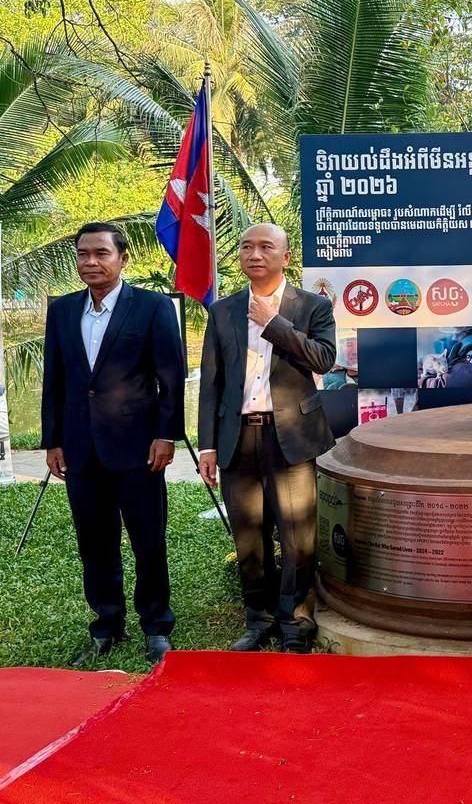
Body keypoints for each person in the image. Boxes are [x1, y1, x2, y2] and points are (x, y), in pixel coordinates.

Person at [41, 222, 186, 666]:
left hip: (139, 448)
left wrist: (166, 434)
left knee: (148, 541)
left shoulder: (152, 307)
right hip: (80, 450)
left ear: (123, 259)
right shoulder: (63, 311)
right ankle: (106, 623)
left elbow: (171, 377)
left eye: (101, 253)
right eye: (83, 254)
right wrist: (53, 440)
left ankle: (156, 625)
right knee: (94, 542)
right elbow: (55, 381)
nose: (91, 262)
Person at [198, 224, 336, 654]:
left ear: (285, 257)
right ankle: (258, 618)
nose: (254, 254)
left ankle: (296, 620)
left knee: (297, 535)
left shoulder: (312, 305)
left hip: (291, 436)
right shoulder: (223, 310)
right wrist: (207, 445)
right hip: (238, 437)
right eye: (246, 247)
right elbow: (211, 385)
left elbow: (323, 359)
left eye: (265, 247)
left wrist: (274, 323)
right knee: (248, 534)